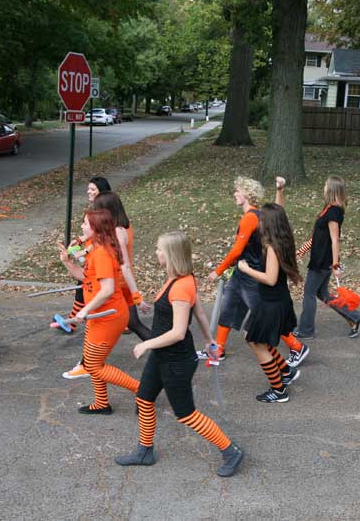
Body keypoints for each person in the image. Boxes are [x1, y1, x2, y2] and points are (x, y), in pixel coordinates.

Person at [115, 231, 243, 477]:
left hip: (176, 360)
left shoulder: (182, 286)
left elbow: (177, 332)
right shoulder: (178, 278)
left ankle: (231, 451)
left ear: (171, 254)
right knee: (144, 398)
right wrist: (209, 340)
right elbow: (201, 314)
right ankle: (145, 451)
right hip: (163, 356)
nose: (156, 253)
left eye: (159, 249)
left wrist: (146, 344)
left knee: (186, 414)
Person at [61, 192, 153, 379]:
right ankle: (89, 370)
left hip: (115, 286)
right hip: (107, 286)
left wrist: (137, 296)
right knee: (120, 326)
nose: (85, 223)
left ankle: (165, 353)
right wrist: (75, 253)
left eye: (96, 211)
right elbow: (91, 251)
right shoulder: (106, 235)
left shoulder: (115, 235)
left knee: (132, 323)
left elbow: (124, 267)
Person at [204, 176, 297, 360]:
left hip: (252, 274)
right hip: (241, 273)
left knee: (262, 317)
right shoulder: (257, 215)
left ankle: (297, 346)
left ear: (247, 194)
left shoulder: (251, 217)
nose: (235, 194)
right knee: (228, 306)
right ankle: (218, 349)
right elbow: (280, 212)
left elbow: (236, 250)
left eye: (238, 190)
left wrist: (218, 270)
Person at [57, 209, 139, 414]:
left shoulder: (101, 253)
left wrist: (84, 310)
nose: (82, 227)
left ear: (96, 228)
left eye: (85, 223)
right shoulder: (94, 249)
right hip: (99, 315)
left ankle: (141, 390)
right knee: (93, 360)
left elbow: (108, 289)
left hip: (108, 317)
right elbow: (84, 277)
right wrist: (67, 262)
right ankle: (102, 403)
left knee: (92, 365)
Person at [288, 175, 360, 367]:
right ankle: (355, 317)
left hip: (323, 261)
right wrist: (301, 252)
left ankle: (306, 330)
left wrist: (336, 264)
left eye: (325, 186)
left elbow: (335, 239)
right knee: (322, 293)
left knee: (309, 293)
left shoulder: (335, 211)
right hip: (318, 258)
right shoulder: (328, 209)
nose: (323, 188)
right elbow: (316, 237)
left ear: (332, 190)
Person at [237, 203, 302, 403]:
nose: (259, 222)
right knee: (252, 335)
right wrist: (279, 189)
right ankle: (286, 371)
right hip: (273, 300)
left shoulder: (273, 248)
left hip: (272, 303)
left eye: (262, 219)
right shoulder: (282, 241)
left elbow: (270, 279)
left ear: (269, 223)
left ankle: (279, 390)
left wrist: (247, 270)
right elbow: (279, 208)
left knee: (255, 342)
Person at [52, 176, 113, 337]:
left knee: (90, 284)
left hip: (98, 259)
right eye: (88, 188)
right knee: (84, 283)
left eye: (92, 189)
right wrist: (78, 242)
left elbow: (102, 237)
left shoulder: (105, 212)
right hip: (93, 258)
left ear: (102, 192)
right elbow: (91, 233)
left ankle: (73, 321)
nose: (88, 192)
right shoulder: (96, 209)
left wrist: (82, 252)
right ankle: (72, 320)